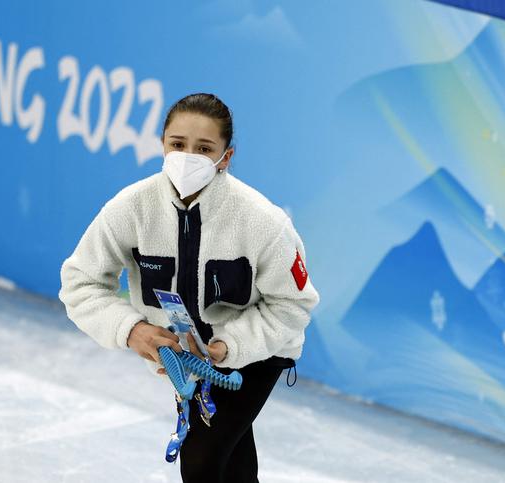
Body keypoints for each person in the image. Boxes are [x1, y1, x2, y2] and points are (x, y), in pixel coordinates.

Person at [59, 93, 320, 482]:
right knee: (230, 464)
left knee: (201, 460)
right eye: (177, 144)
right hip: (184, 355)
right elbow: (81, 283)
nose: (186, 157)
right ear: (162, 145)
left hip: (257, 354)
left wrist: (227, 347)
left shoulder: (264, 223)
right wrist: (135, 331)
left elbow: (291, 305)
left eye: (203, 149)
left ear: (225, 157)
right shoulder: (130, 209)